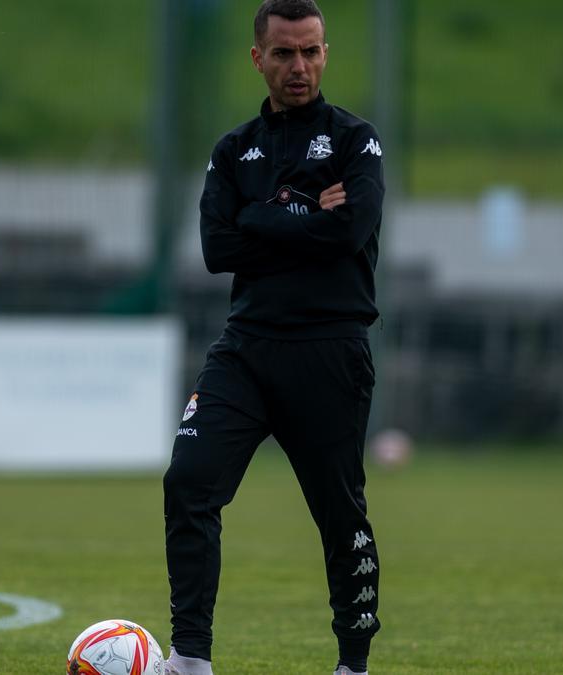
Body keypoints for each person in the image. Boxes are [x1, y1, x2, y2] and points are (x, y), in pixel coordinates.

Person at [162, 1, 384, 674]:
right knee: (188, 481)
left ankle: (352, 663)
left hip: (329, 349)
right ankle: (190, 657)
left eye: (312, 51)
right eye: (285, 53)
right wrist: (296, 211)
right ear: (258, 58)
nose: (300, 66)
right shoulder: (233, 150)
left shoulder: (355, 140)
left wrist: (259, 219)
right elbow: (214, 246)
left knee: (339, 515)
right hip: (247, 348)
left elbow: (349, 233)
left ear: (325, 52)